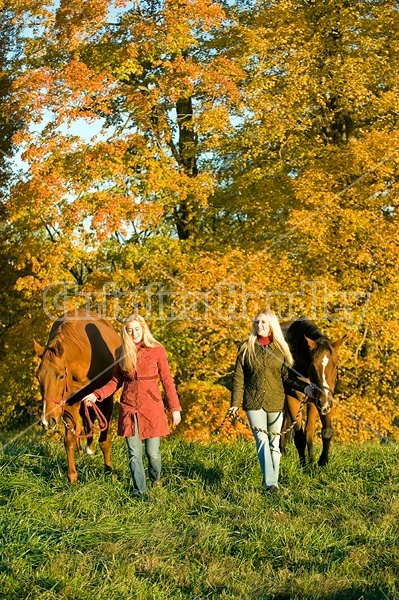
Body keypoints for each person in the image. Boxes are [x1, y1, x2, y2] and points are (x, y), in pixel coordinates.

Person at [82, 314, 182, 497]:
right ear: (125, 332)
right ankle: (139, 491)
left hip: (152, 408)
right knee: (134, 453)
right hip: (129, 408)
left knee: (153, 454)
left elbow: (167, 380)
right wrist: (96, 395)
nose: (134, 333)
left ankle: (156, 479)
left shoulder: (157, 350)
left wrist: (175, 408)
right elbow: (115, 381)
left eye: (137, 329)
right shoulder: (121, 352)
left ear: (143, 329)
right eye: (130, 330)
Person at [229, 308, 315, 494]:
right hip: (253, 402)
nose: (259, 325)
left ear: (271, 325)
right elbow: (238, 377)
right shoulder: (245, 348)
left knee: (274, 443)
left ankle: (272, 482)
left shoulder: (280, 348)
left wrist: (305, 387)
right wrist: (235, 403)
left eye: (263, 322)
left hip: (276, 401)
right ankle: (271, 484)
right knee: (261, 440)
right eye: (257, 322)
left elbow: (287, 377)